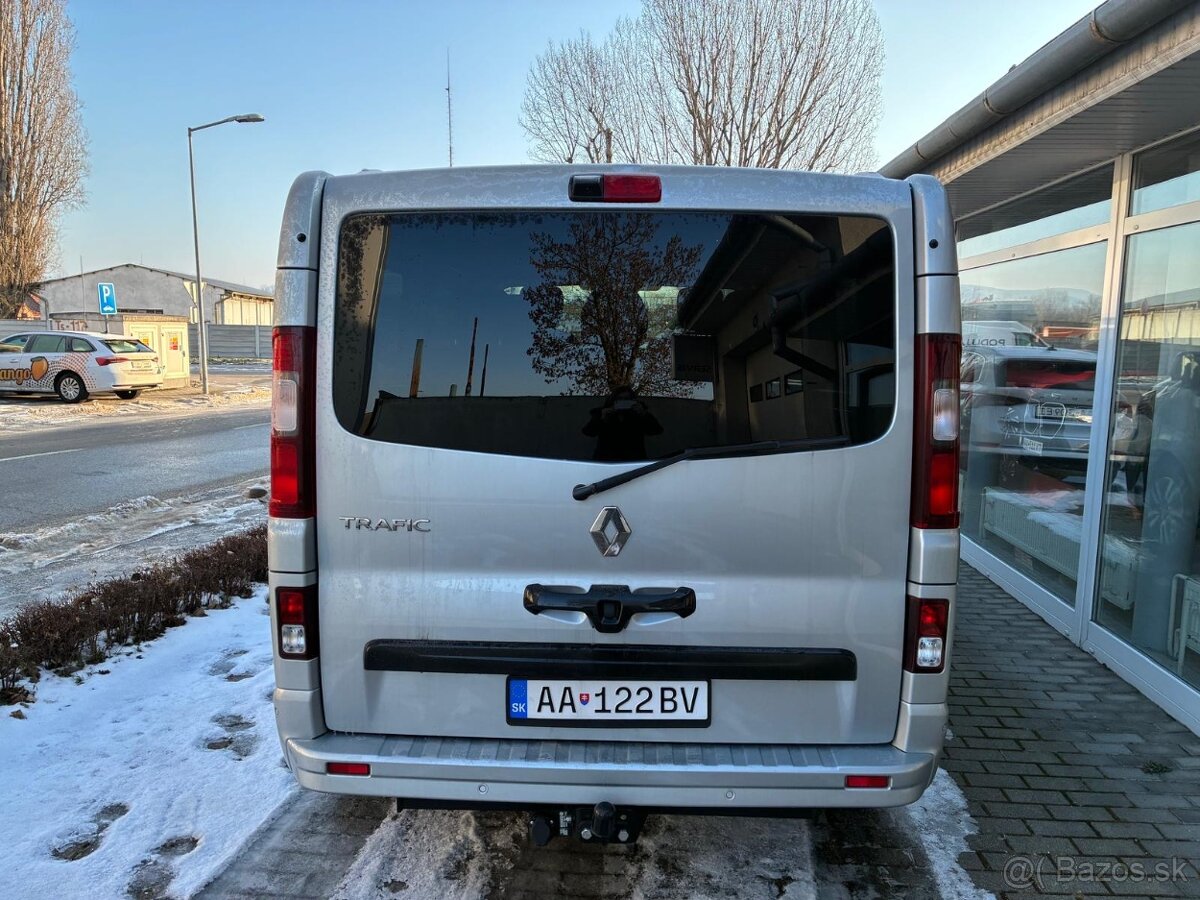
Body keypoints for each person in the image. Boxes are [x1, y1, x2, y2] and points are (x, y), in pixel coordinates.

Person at [582, 385, 663, 462]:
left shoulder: (637, 415)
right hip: (606, 463)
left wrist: (644, 414)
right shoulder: (604, 413)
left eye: (627, 399)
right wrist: (601, 418)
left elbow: (656, 430)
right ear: (613, 400)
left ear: (633, 401)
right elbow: (588, 432)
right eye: (620, 399)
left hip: (633, 463)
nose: (623, 402)